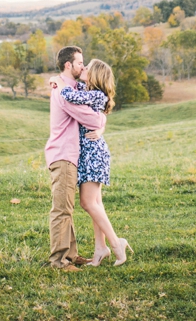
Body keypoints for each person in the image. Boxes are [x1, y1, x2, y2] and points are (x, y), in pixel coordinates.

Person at [52, 59, 133, 266]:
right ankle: (100, 249)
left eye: (87, 67)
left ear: (95, 75)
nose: (83, 68)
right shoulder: (86, 89)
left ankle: (116, 244)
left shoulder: (95, 94)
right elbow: (74, 88)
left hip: (93, 153)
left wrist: (57, 83)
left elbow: (68, 94)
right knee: (96, 203)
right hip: (88, 152)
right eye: (82, 64)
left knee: (88, 203)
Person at [44, 46, 107, 271]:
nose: (84, 66)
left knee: (67, 207)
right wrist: (100, 125)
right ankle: (59, 262)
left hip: (71, 155)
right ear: (69, 65)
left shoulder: (71, 87)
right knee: (61, 209)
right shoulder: (64, 92)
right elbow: (93, 119)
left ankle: (70, 255)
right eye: (80, 62)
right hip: (63, 154)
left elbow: (99, 112)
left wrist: (101, 125)